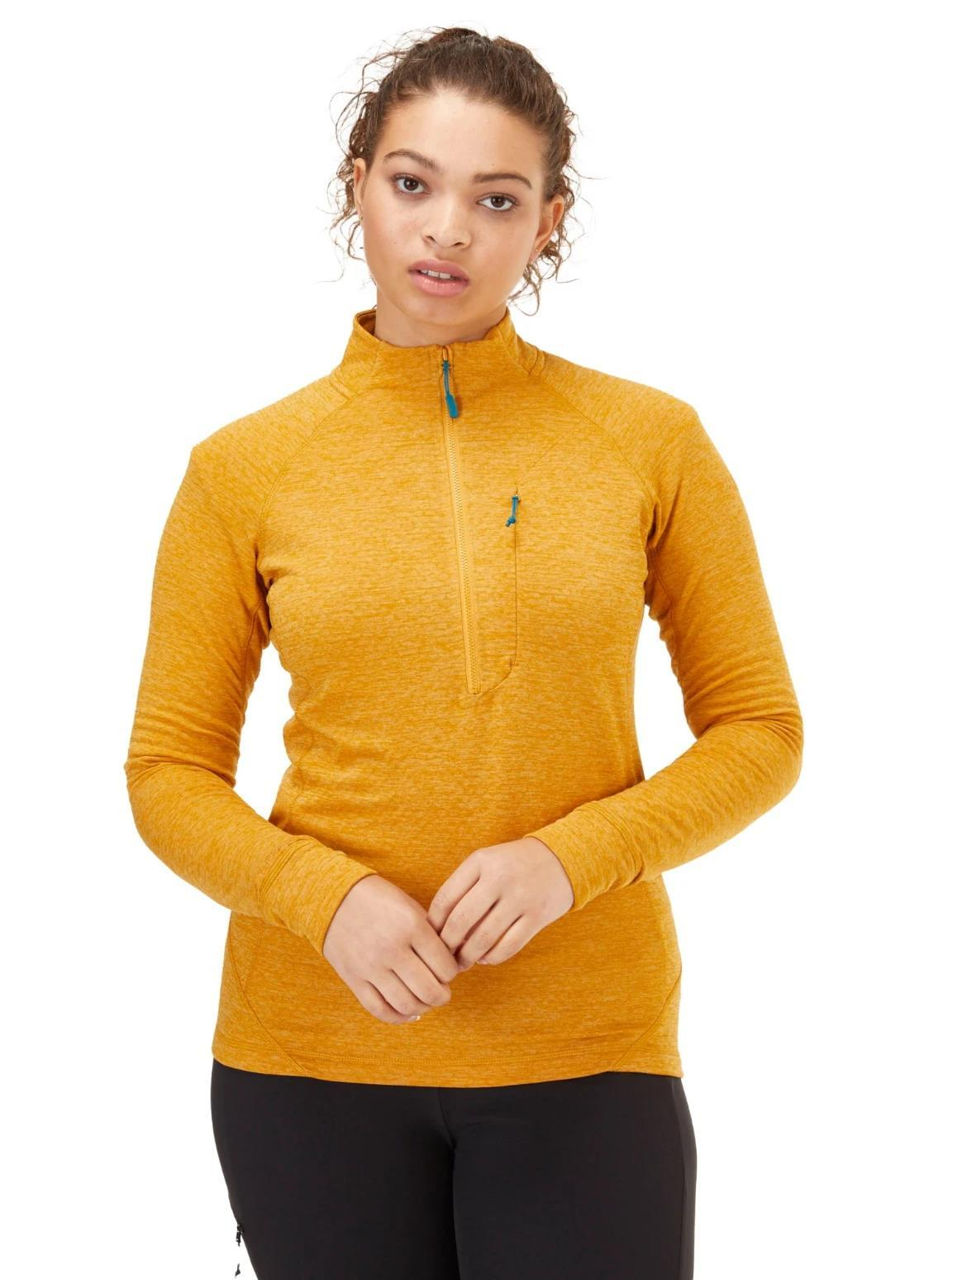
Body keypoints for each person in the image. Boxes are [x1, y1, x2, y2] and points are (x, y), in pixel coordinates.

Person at [124, 25, 803, 1280]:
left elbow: (759, 729)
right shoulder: (242, 469)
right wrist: (321, 898)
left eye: (495, 199)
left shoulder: (648, 440)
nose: (447, 230)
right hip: (308, 1057)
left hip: (586, 1048)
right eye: (412, 183)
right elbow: (166, 773)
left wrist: (570, 857)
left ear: (547, 221)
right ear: (358, 186)